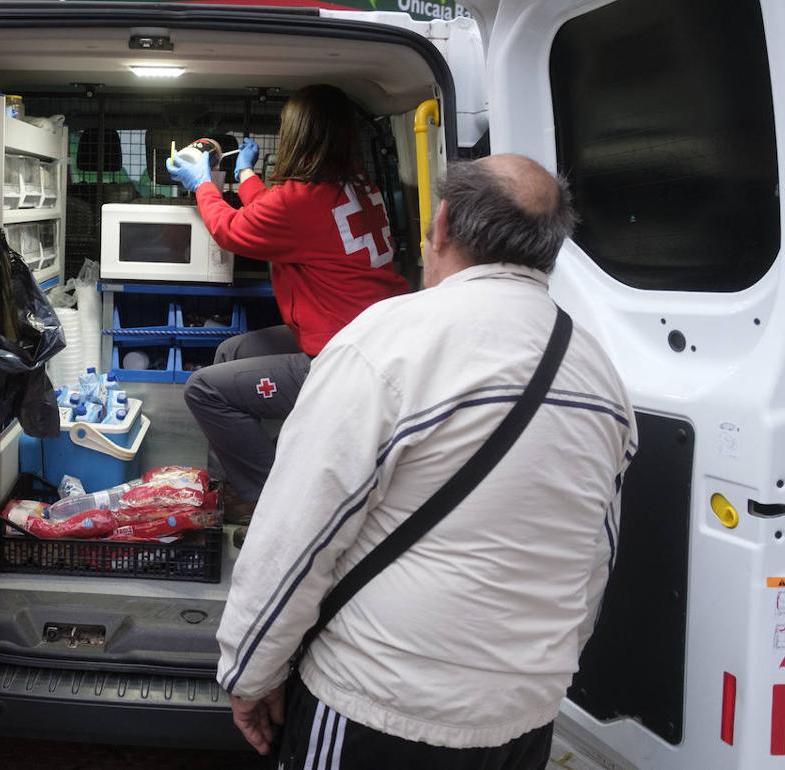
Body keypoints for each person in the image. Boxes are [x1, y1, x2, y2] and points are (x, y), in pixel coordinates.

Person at [216, 154, 638, 768]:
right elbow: (596, 554)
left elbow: (297, 536)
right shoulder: (599, 374)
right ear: (550, 250)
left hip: (378, 705)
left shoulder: (385, 342)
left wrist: (249, 673)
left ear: (440, 225)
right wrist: (541, 678)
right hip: (522, 716)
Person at [166, 84, 410, 527]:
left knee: (203, 388)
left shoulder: (301, 200)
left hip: (343, 363)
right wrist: (245, 176)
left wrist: (203, 185)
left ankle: (279, 505)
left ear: (299, 135)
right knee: (230, 353)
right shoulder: (356, 187)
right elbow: (278, 214)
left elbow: (234, 231)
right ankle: (235, 495)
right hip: (373, 343)